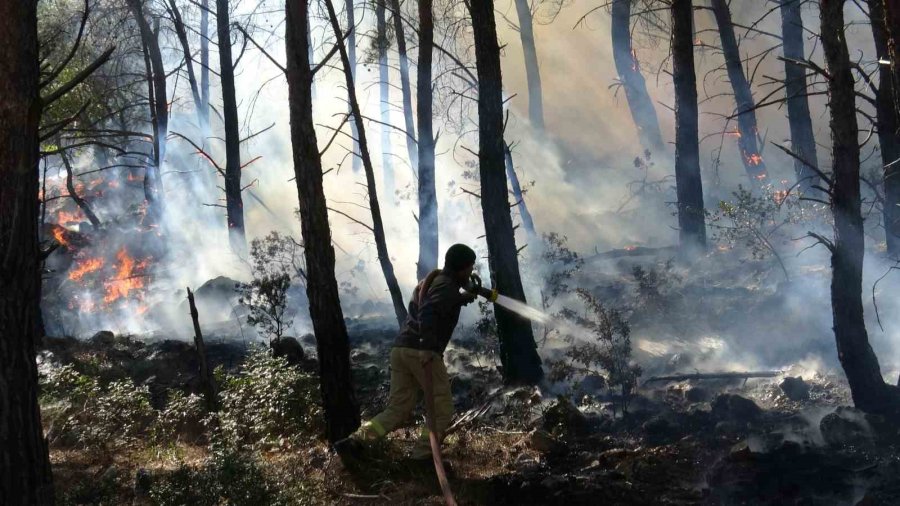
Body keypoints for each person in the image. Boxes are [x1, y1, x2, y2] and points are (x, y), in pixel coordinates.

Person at [335, 244, 480, 460]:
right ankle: (422, 457)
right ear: (463, 267)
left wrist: (462, 297)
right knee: (442, 408)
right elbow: (429, 311)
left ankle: (357, 440)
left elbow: (434, 304)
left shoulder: (433, 282)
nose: (471, 272)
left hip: (401, 350)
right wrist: (428, 348)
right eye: (470, 268)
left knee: (399, 407)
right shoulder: (445, 285)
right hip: (420, 351)